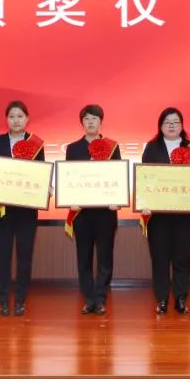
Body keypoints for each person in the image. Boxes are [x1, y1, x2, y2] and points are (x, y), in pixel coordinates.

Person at [0, 100, 45, 317]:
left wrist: (44, 187)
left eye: (20, 116)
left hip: (26, 211)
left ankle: (20, 300)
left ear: (27, 119)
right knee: (2, 256)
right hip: (3, 210)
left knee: (24, 257)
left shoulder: (36, 144)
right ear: (6, 119)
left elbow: (40, 173)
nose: (16, 120)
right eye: (11, 116)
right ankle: (2, 300)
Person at [141, 107, 190, 315]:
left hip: (184, 214)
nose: (172, 125)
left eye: (176, 122)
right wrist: (144, 202)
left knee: (182, 257)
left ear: (182, 125)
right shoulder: (152, 148)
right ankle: (161, 299)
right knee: (159, 258)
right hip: (158, 215)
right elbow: (145, 179)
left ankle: (181, 298)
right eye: (167, 122)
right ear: (160, 126)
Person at [64, 104, 122, 315]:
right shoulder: (73, 148)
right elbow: (68, 178)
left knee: (105, 256)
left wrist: (117, 199)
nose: (90, 122)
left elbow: (117, 177)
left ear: (101, 122)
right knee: (84, 257)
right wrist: (70, 199)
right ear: (82, 122)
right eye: (87, 118)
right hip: (82, 212)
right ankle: (88, 298)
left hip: (106, 212)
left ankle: (100, 297)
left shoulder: (112, 147)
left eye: (94, 118)